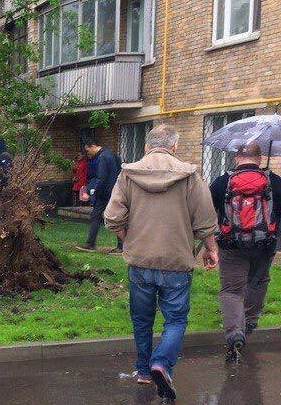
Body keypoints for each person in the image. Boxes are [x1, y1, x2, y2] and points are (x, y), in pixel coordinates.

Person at [104, 124, 218, 401]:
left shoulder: (129, 174)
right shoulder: (190, 176)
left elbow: (112, 217)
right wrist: (210, 249)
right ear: (175, 146)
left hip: (140, 262)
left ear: (147, 146)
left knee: (142, 320)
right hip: (177, 262)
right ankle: (162, 364)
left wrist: (127, 237)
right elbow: (205, 220)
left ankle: (144, 370)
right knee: (176, 319)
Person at [209, 142, 281, 363]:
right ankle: (249, 322)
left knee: (231, 290)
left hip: (231, 246)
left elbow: (207, 212)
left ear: (237, 158)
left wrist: (208, 243)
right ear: (259, 159)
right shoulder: (275, 182)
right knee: (258, 283)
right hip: (265, 245)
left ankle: (234, 334)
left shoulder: (223, 181)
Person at [76, 136, 123, 253]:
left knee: (115, 218)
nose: (87, 154)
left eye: (87, 151)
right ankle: (91, 244)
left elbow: (101, 177)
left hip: (106, 193)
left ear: (93, 146)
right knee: (98, 216)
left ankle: (122, 247)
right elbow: (120, 169)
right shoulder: (111, 154)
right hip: (112, 191)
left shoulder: (102, 157)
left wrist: (90, 191)